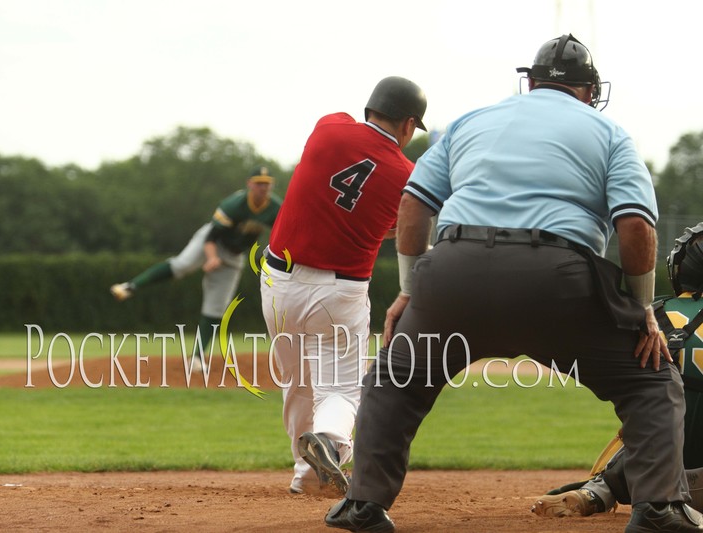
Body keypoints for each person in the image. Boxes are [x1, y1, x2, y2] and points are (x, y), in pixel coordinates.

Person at [324, 34, 701, 533]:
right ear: (589, 90)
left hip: (454, 272)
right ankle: (657, 509)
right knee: (651, 383)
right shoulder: (609, 132)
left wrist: (410, 291)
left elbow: (414, 204)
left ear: (530, 82)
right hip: (557, 279)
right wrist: (641, 311)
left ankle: (363, 505)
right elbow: (636, 226)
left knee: (395, 379)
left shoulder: (471, 121)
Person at [259, 76, 427, 495]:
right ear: (408, 124)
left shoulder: (329, 128)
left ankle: (306, 471)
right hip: (339, 291)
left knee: (296, 382)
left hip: (278, 282)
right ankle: (329, 446)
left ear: (370, 108)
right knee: (341, 390)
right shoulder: (407, 173)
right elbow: (397, 228)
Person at [532, 222, 703, 517]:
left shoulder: (651, 317)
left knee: (653, 423)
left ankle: (599, 490)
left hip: (656, 483)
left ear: (680, 267)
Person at [110, 166, 282, 367]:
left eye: (267, 183)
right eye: (259, 182)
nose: (263, 187)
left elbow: (283, 233)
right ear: (250, 184)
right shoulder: (234, 204)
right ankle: (129, 286)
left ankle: (197, 357)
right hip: (211, 243)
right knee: (182, 265)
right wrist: (211, 258)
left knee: (217, 306)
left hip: (234, 255)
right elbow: (212, 236)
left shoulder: (276, 208)